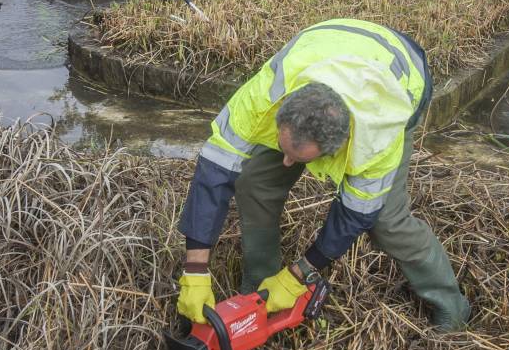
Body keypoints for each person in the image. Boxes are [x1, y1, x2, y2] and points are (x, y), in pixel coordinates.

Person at [175, 18, 472, 332]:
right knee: (254, 182)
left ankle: (451, 306)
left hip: (403, 74)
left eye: (298, 158)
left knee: (386, 221)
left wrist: (298, 274)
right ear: (282, 112)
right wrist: (195, 269)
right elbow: (214, 168)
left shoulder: (377, 137)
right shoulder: (266, 94)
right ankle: (259, 288)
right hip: (331, 44)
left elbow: (356, 214)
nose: (286, 162)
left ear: (337, 149)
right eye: (283, 147)